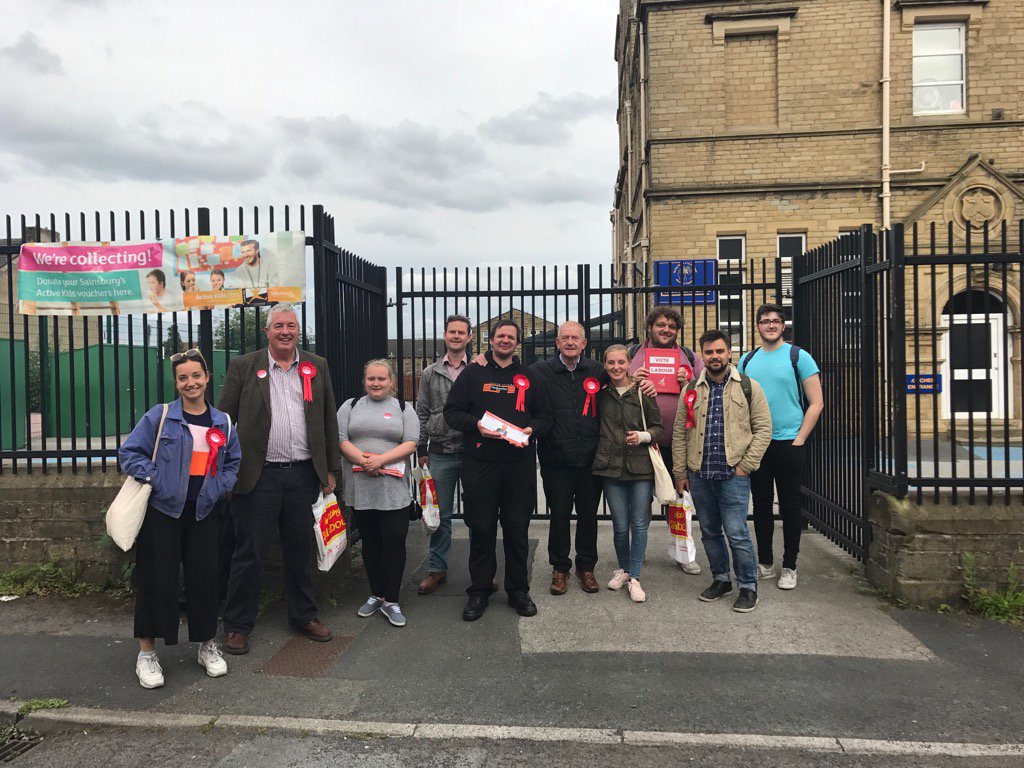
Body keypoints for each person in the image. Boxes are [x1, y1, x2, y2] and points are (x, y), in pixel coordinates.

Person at [218, 303, 340, 653]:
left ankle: (304, 616)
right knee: (250, 553)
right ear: (267, 332)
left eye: (291, 326)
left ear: (298, 330)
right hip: (258, 477)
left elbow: (328, 420)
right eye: (279, 326)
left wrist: (330, 469)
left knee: (300, 551)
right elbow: (224, 419)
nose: (285, 331)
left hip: (304, 475)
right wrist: (224, 470)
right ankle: (237, 625)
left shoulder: (316, 366)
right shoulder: (245, 366)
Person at [118, 348, 241, 689]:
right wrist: (157, 479)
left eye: (196, 376)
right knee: (156, 579)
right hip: (163, 512)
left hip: (204, 512)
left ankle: (206, 645)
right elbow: (130, 453)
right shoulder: (159, 417)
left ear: (207, 378)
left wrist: (220, 488)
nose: (191, 383)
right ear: (176, 383)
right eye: (183, 378)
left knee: (205, 579)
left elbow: (233, 462)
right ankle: (146, 654)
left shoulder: (223, 422)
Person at [443, 319, 552, 622]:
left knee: (517, 529)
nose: (505, 340)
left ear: (517, 342)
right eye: (500, 336)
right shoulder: (472, 373)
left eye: (511, 337)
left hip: (518, 466)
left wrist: (532, 429)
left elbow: (546, 417)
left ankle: (518, 590)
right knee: (481, 528)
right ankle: (479, 590)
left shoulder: (529, 376)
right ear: (490, 340)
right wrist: (476, 425)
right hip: (480, 464)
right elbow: (452, 412)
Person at [672, 329, 772, 613]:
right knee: (709, 532)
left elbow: (763, 429)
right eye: (709, 352)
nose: (714, 356)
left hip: (733, 476)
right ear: (702, 356)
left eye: (719, 351)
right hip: (700, 475)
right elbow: (679, 433)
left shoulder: (749, 387)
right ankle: (721, 579)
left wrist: (745, 466)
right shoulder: (691, 389)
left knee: (736, 532)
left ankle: (748, 586)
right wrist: (681, 473)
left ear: (730, 353)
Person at [739, 303, 823, 591]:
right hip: (757, 444)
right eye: (765, 321)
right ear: (758, 326)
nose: (771, 325)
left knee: (790, 505)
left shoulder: (799, 357)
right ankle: (765, 563)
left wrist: (800, 439)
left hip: (789, 441)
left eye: (776, 320)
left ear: (783, 325)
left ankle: (790, 566)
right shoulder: (747, 361)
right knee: (761, 505)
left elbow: (816, 403)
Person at [338, 360, 419, 627]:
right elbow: (340, 439)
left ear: (391, 381)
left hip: (393, 490)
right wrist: (365, 461)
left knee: (394, 542)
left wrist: (380, 460)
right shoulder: (350, 406)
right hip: (361, 488)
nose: (376, 383)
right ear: (364, 381)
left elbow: (411, 443)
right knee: (370, 543)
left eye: (381, 379)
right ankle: (377, 594)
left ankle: (392, 600)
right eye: (371, 378)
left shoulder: (404, 408)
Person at [529, 321, 605, 596]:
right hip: (555, 460)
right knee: (559, 516)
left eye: (575, 338)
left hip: (590, 460)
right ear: (557, 343)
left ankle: (586, 567)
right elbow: (512, 379)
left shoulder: (597, 370)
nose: (570, 342)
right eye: (565, 338)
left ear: (584, 343)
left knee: (588, 517)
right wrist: (481, 359)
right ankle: (560, 567)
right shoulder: (540, 371)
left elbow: (624, 378)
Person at [630, 306, 704, 576]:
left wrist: (690, 381)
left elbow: (707, 389)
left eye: (672, 327)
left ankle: (683, 553)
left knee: (677, 501)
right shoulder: (632, 354)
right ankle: (638, 551)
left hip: (677, 442)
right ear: (650, 327)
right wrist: (632, 380)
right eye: (661, 325)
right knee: (640, 502)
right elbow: (613, 386)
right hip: (643, 442)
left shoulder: (689, 357)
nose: (666, 330)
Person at [592, 345, 663, 603]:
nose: (616, 367)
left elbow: (658, 428)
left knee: (639, 524)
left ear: (629, 363)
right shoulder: (600, 393)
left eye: (621, 362)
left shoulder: (643, 391)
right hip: (610, 467)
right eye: (611, 362)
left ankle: (635, 577)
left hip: (640, 467)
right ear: (604, 364)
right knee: (620, 525)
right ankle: (623, 569)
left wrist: (643, 436)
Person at [414, 314, 472, 595]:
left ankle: (481, 572)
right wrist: (421, 447)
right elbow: (422, 411)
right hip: (440, 452)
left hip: (474, 452)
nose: (456, 336)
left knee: (479, 515)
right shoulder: (430, 372)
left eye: (461, 332)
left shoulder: (478, 369)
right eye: (452, 332)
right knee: (440, 515)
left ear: (469, 337)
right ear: (445, 335)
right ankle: (437, 570)